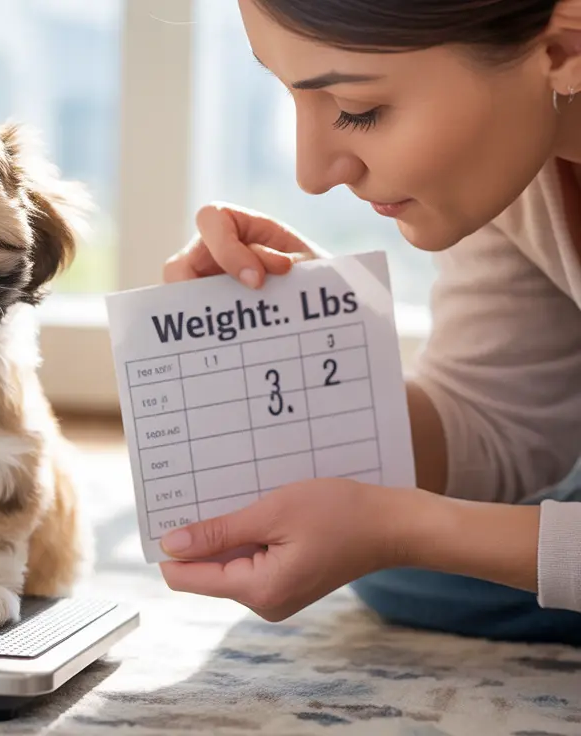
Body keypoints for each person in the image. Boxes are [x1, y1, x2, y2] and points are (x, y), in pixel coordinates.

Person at [157, 0, 581, 647]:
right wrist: (322, 347)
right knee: (397, 573)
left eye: (359, 110)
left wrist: (403, 528)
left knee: (413, 545)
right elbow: (503, 423)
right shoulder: (514, 158)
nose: (312, 174)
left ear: (564, 46)